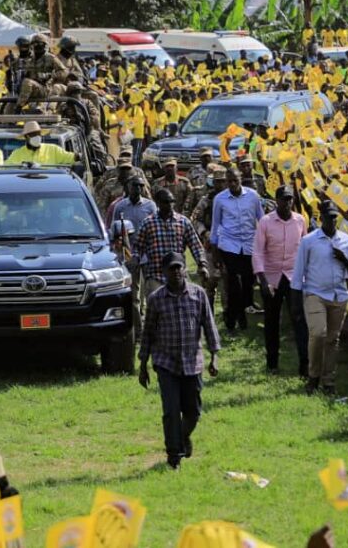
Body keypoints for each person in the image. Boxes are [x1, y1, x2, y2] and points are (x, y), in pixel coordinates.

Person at [138, 252, 220, 470]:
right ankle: (173, 455)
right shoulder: (156, 299)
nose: (175, 272)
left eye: (179, 268)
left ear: (185, 269)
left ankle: (183, 436)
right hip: (166, 363)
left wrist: (215, 356)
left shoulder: (198, 295)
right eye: (171, 269)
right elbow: (147, 334)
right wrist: (143, 365)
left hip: (193, 363)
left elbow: (209, 326)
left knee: (193, 411)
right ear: (164, 273)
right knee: (171, 411)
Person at [290, 200, 348, 395]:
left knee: (332, 339)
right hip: (315, 293)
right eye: (328, 217)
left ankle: (328, 380)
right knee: (318, 334)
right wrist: (295, 302)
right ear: (321, 218)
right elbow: (298, 273)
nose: (332, 221)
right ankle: (313, 375)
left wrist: (345, 260)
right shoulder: (309, 241)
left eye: (334, 218)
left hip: (339, 295)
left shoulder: (347, 241)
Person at [252, 185, 308, 375]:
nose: (288, 203)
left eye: (290, 199)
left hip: (293, 277)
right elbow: (258, 252)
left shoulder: (300, 220)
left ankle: (305, 365)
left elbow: (305, 248)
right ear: (277, 200)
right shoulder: (266, 222)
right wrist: (262, 279)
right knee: (272, 321)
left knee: (299, 320)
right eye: (284, 199)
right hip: (272, 277)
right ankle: (272, 363)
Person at [210, 167, 264, 332]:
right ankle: (234, 320)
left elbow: (261, 219)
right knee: (234, 285)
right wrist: (215, 251)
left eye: (235, 180)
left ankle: (238, 313)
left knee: (248, 283)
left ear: (241, 179)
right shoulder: (220, 199)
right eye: (229, 181)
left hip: (248, 245)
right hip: (229, 245)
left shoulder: (253, 196)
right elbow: (216, 224)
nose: (232, 184)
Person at [6, 121, 75, 166]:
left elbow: (69, 157)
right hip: (25, 187)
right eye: (33, 134)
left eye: (38, 134)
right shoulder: (17, 154)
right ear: (26, 137)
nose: (37, 137)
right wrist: (21, 165)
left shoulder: (53, 150)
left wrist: (78, 157)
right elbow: (5, 167)